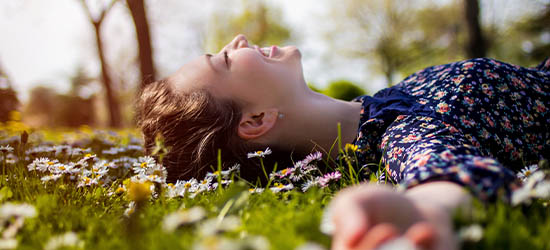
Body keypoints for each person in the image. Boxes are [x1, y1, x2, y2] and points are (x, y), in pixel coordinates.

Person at [136, 34, 550, 249]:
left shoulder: (384, 105)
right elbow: (448, 175)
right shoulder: (402, 135)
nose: (238, 41)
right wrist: (418, 214)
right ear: (257, 120)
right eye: (224, 60)